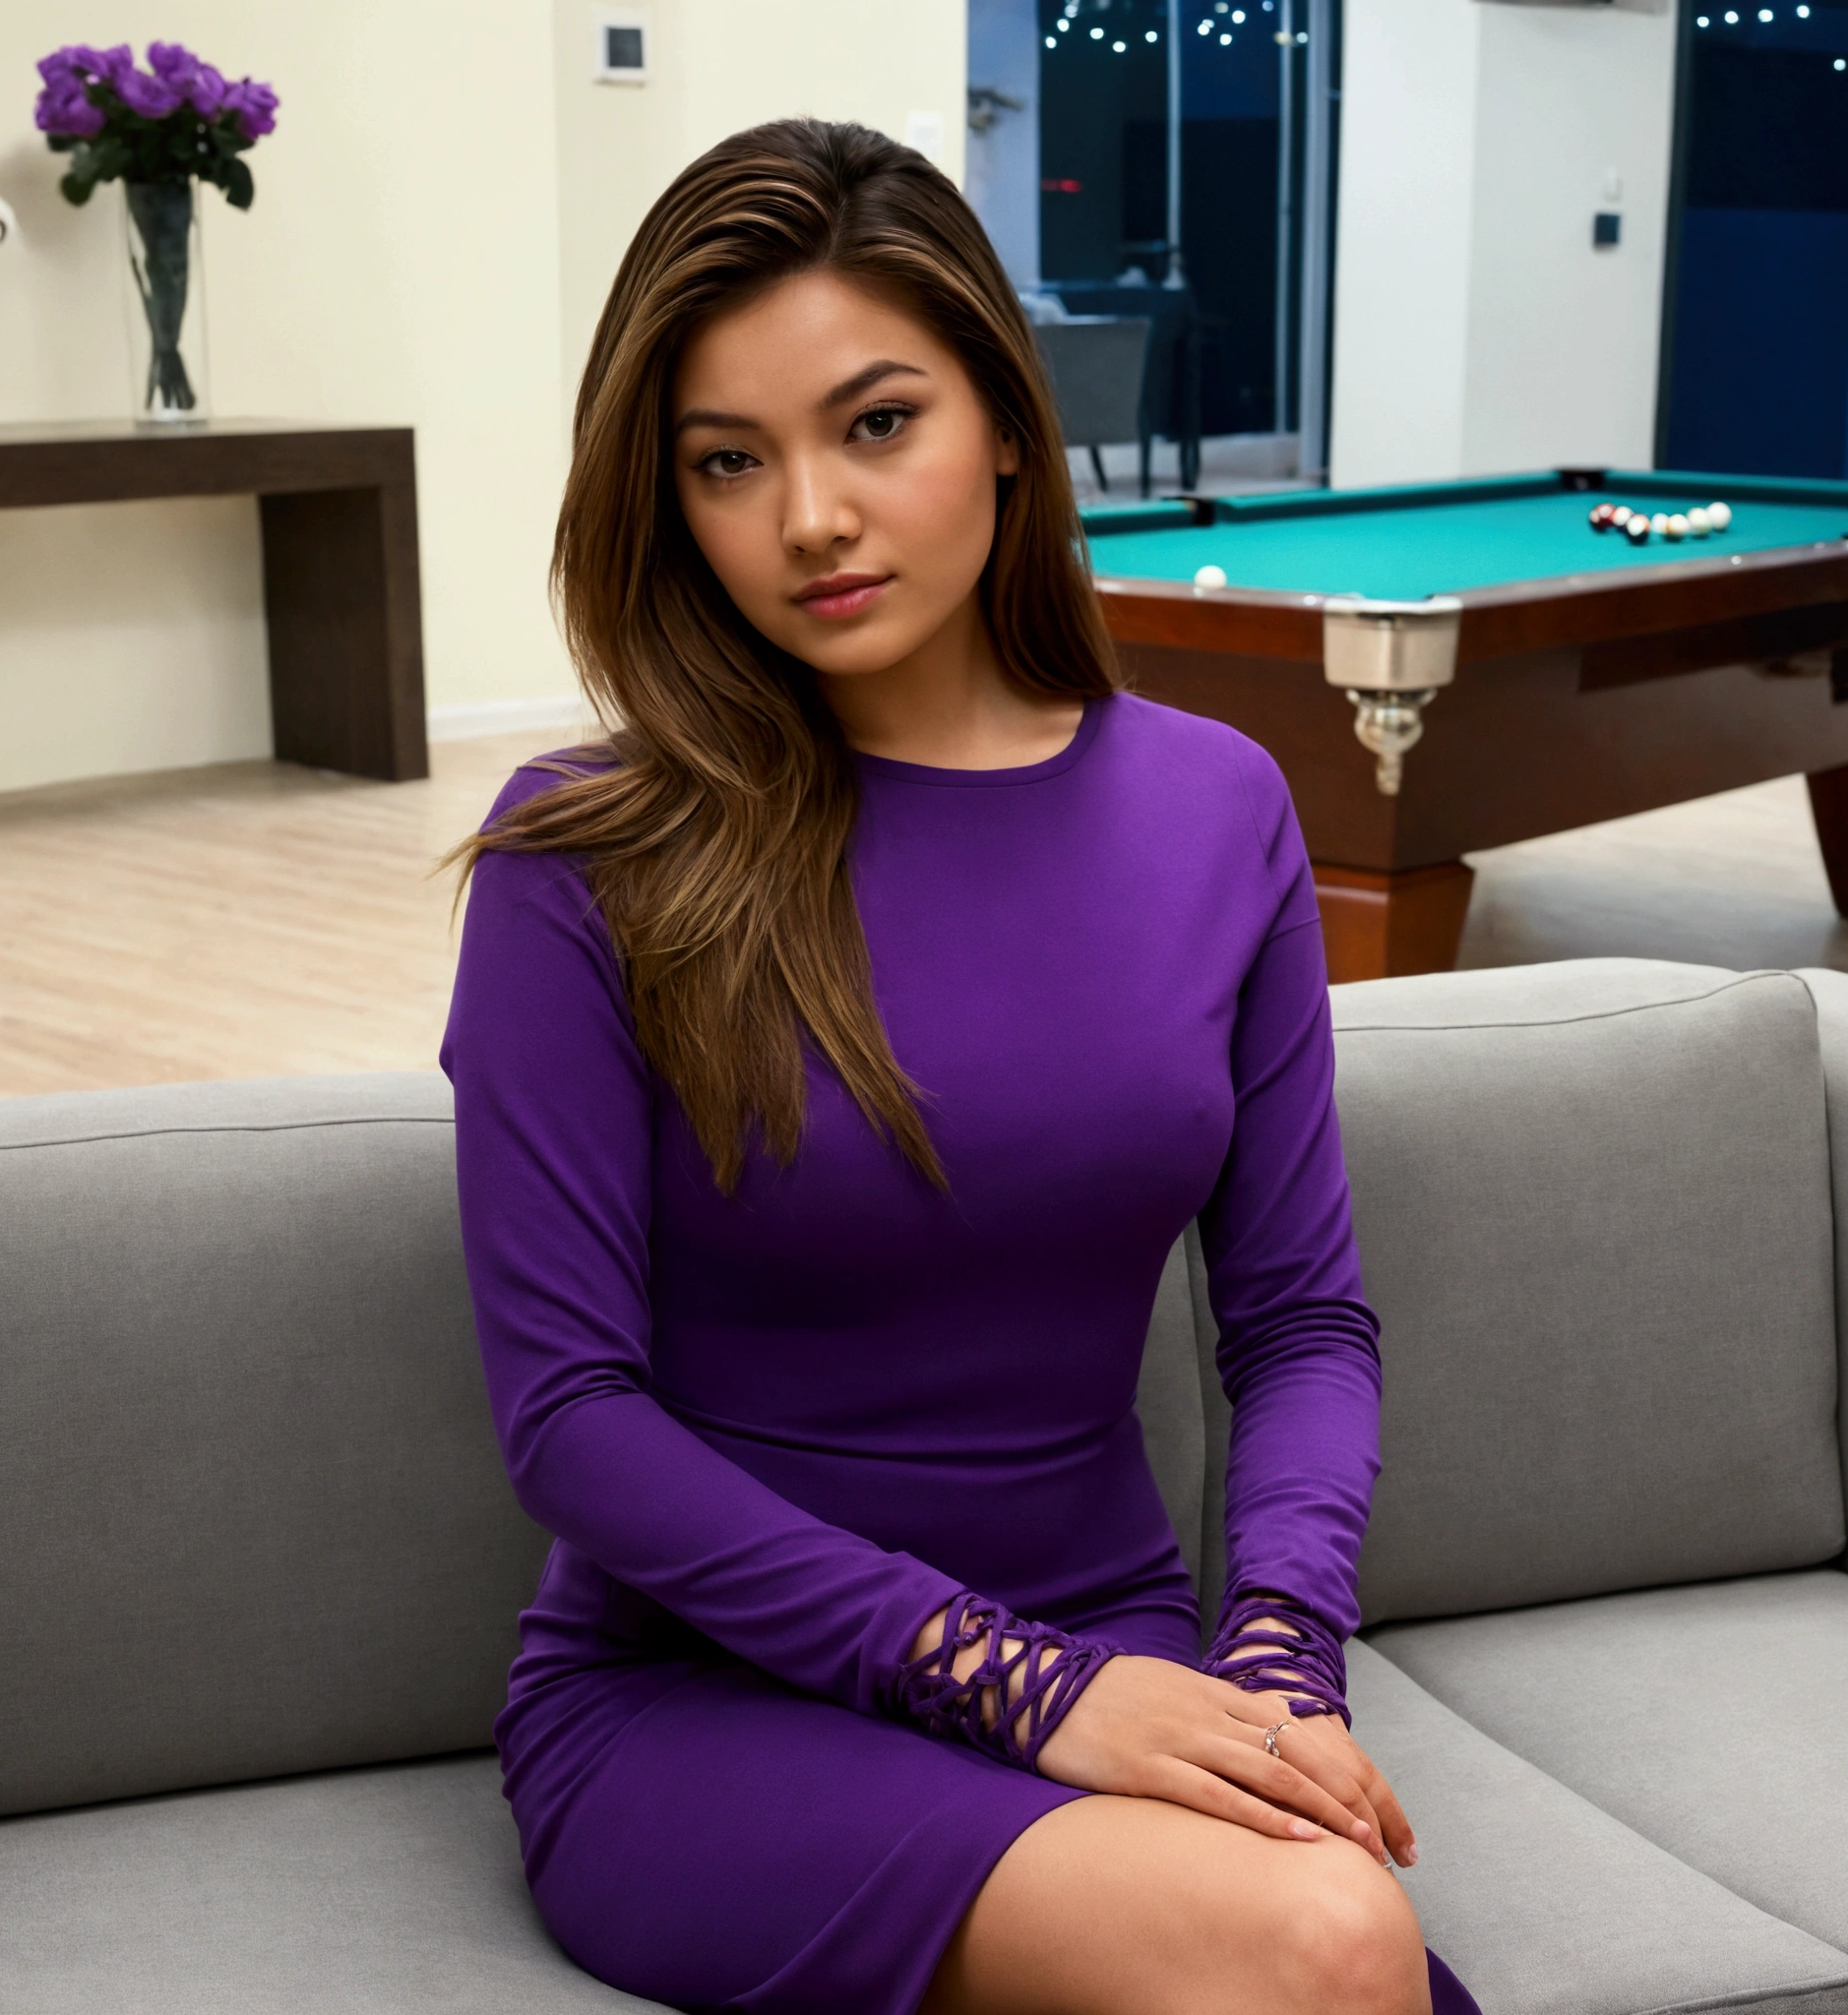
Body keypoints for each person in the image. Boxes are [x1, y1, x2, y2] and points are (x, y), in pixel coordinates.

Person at [443, 118, 1480, 2015]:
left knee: (1332, 1946)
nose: (811, 519)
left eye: (875, 423)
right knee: (1333, 1948)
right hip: (708, 1702)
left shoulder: (1215, 810)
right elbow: (569, 1420)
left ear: (1007, 418)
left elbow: (1303, 1324)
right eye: (729, 464)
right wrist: (1016, 1685)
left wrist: (1278, 1664)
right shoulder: (583, 859)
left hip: (1124, 1657)